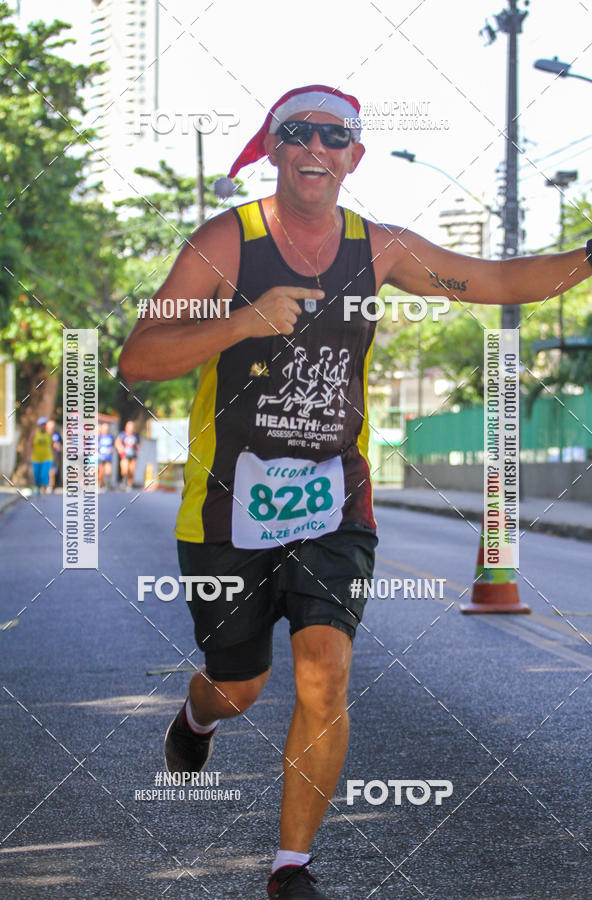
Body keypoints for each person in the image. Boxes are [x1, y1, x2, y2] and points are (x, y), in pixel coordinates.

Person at [119, 84, 592, 899]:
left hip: (335, 501)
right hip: (230, 504)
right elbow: (137, 359)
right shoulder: (227, 242)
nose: (316, 147)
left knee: (323, 672)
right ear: (274, 149)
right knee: (241, 685)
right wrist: (240, 321)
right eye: (298, 133)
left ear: (354, 156)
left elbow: (496, 282)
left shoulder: (380, 249)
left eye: (334, 136)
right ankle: (198, 715)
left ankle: (289, 868)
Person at [31, 417, 54, 495]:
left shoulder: (49, 435)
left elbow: (52, 446)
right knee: (37, 474)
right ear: (39, 425)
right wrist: (28, 455)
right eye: (41, 425)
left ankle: (44, 487)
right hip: (36, 458)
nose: (43, 426)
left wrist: (55, 458)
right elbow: (30, 445)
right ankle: (37, 487)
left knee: (44, 473)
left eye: (44, 424)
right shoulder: (35, 434)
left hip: (47, 457)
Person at [115, 420, 139, 490]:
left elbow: (139, 444)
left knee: (131, 470)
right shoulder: (123, 434)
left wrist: (136, 447)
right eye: (129, 426)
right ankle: (123, 481)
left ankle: (129, 484)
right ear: (126, 427)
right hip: (125, 455)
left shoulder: (136, 435)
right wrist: (121, 450)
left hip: (133, 455)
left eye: (132, 427)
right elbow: (117, 442)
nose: (130, 428)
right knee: (124, 470)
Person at [46, 418, 62, 492]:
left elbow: (60, 446)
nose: (51, 428)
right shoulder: (44, 434)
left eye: (53, 427)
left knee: (52, 471)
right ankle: (46, 485)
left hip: (55, 456)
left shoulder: (57, 435)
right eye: (50, 427)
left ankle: (51, 485)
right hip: (45, 455)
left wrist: (57, 447)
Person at [97, 423, 115, 490]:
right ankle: (101, 484)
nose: (105, 430)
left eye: (106, 428)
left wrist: (111, 450)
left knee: (108, 471)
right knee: (100, 473)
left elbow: (112, 446)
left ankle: (108, 483)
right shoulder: (99, 437)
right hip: (100, 457)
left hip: (108, 457)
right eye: (104, 428)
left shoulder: (110, 437)